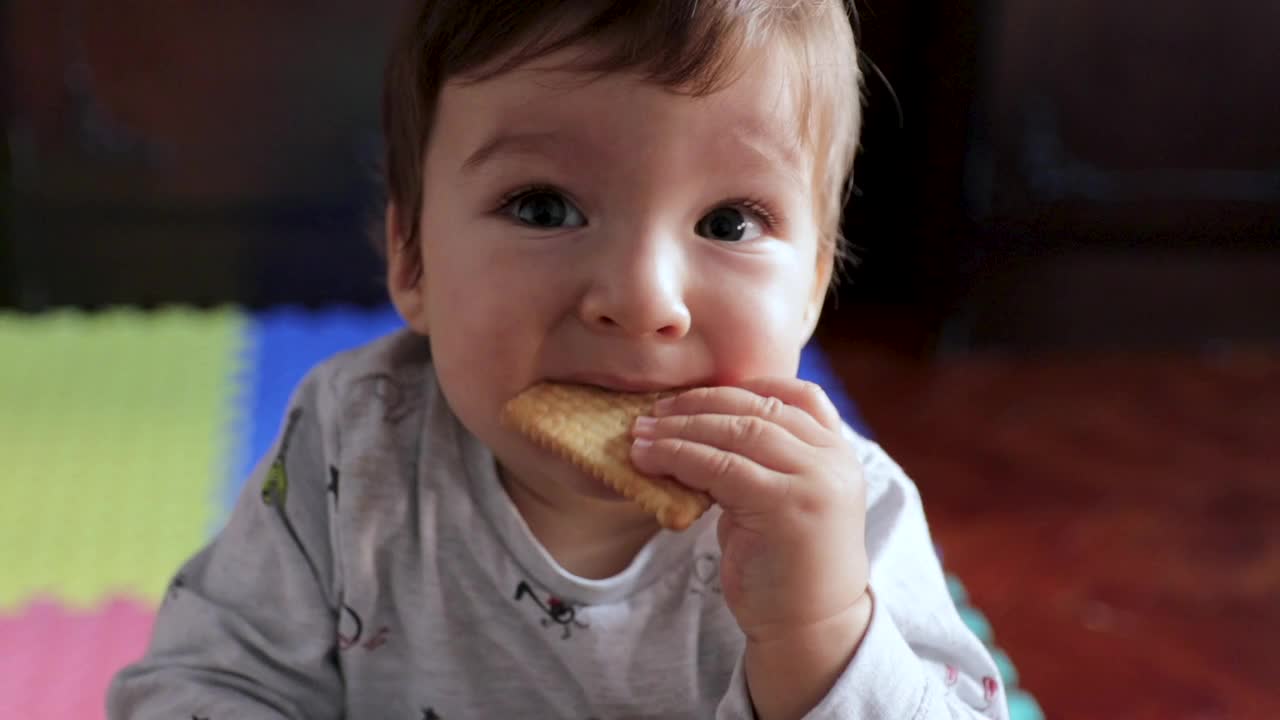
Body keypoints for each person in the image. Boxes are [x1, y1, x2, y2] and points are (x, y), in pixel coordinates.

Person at [109, 2, 1008, 718]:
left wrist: (820, 635)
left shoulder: (847, 521)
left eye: (730, 222)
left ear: (812, 285)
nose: (643, 297)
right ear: (413, 258)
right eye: (543, 207)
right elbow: (201, 683)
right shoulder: (351, 450)